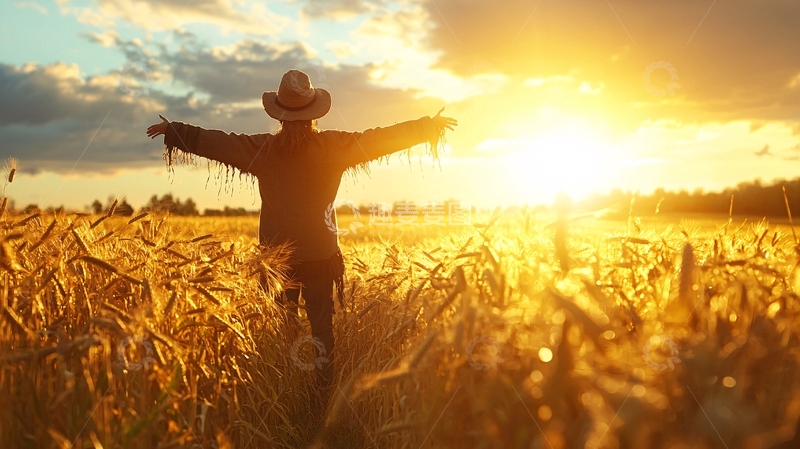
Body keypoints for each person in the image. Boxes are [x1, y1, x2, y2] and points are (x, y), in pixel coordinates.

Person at [146, 69, 457, 389]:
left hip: (277, 260)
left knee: (284, 327)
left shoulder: (262, 149)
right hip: (322, 255)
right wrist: (425, 127)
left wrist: (176, 130)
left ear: (279, 115)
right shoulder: (335, 146)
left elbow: (219, 142)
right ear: (314, 113)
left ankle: (288, 390)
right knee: (323, 329)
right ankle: (322, 394)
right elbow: (377, 138)